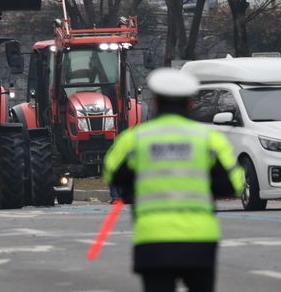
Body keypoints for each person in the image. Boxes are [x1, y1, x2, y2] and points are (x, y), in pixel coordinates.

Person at [102, 68, 244, 292]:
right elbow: (234, 184)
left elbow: (111, 173)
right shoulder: (209, 140)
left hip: (152, 238)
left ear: (155, 101)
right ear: (189, 103)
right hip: (199, 238)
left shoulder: (135, 139)